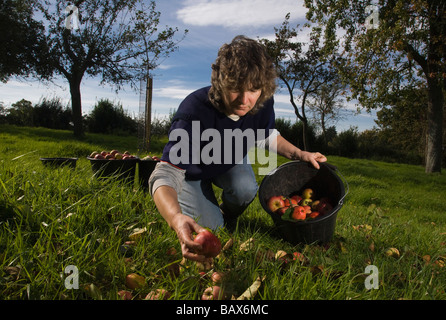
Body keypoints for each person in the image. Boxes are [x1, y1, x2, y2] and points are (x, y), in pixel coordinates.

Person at [148, 35, 327, 263]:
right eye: (235, 88)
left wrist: (301, 154)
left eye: (253, 89)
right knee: (214, 228)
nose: (244, 99)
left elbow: (265, 135)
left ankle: (226, 213)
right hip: (189, 175)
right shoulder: (193, 113)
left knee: (245, 189)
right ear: (220, 83)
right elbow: (165, 174)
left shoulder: (262, 101)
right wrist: (175, 218)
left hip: (225, 160)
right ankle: (208, 212)